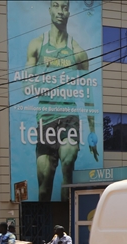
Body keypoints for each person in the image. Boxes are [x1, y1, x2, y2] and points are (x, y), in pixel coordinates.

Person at [25, 0, 98, 202]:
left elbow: (87, 92)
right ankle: (43, 230)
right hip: (45, 119)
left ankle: (68, 223)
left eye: (64, 7)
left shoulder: (78, 52)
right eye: (56, 6)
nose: (60, 11)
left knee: (68, 164)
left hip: (69, 117)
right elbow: (24, 84)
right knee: (44, 187)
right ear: (50, 10)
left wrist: (92, 131)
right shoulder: (36, 45)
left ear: (69, 12)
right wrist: (41, 79)